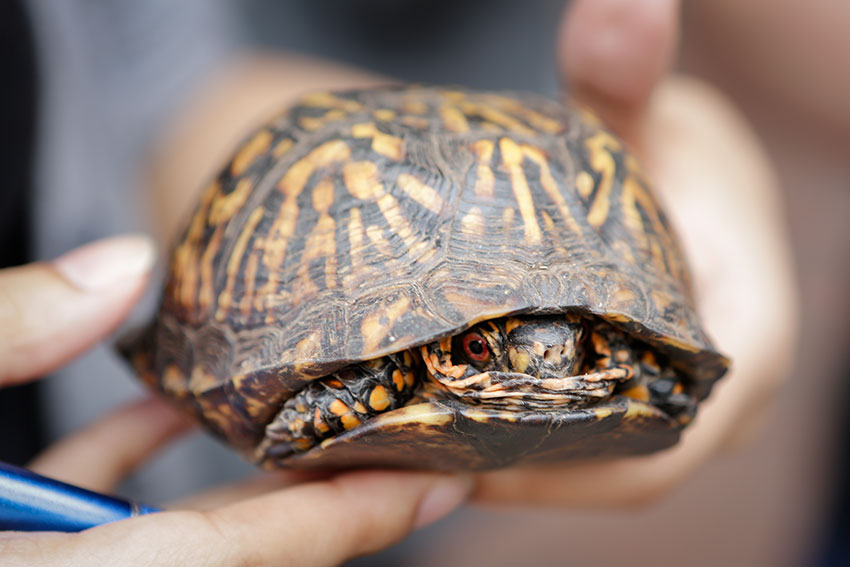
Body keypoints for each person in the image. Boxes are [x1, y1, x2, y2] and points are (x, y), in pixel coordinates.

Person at [1, 0, 799, 564]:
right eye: (494, 347)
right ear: (460, 349)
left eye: (577, 345)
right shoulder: (400, 373)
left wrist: (676, 232)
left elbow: (159, 89)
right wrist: (344, 386)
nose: (548, 366)